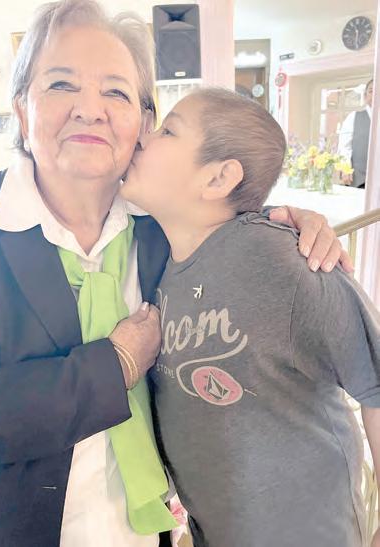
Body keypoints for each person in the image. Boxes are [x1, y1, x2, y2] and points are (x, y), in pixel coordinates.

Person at [0, 1, 353, 546]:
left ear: (143, 126)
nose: (89, 110)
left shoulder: (159, 229)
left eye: (116, 92)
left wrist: (281, 224)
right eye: (61, 84)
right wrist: (115, 365)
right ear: (21, 111)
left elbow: (214, 209)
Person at [121, 88, 380, 547]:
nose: (144, 137)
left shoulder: (280, 260)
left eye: (167, 130)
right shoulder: (160, 261)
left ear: (219, 178)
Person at [338, 79, 373, 188]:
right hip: (359, 181)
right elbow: (344, 147)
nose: (376, 94)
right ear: (365, 96)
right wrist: (345, 169)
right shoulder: (353, 117)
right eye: (371, 91)